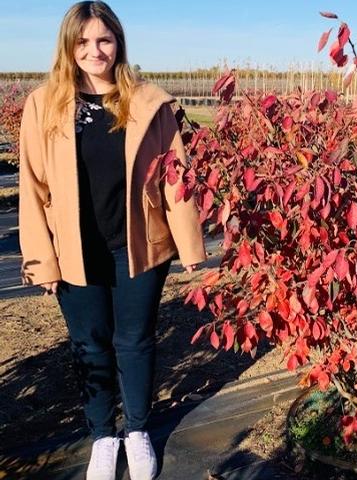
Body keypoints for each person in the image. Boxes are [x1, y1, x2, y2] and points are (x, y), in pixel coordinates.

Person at [18, 2, 206, 479]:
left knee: (135, 341)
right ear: (68, 46)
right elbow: (33, 187)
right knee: (89, 345)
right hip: (75, 248)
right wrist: (41, 260)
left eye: (103, 40)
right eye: (83, 42)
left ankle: (138, 430)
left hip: (138, 245)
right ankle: (103, 435)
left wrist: (188, 244)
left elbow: (174, 177)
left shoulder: (148, 103)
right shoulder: (43, 105)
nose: (94, 50)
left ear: (118, 42)